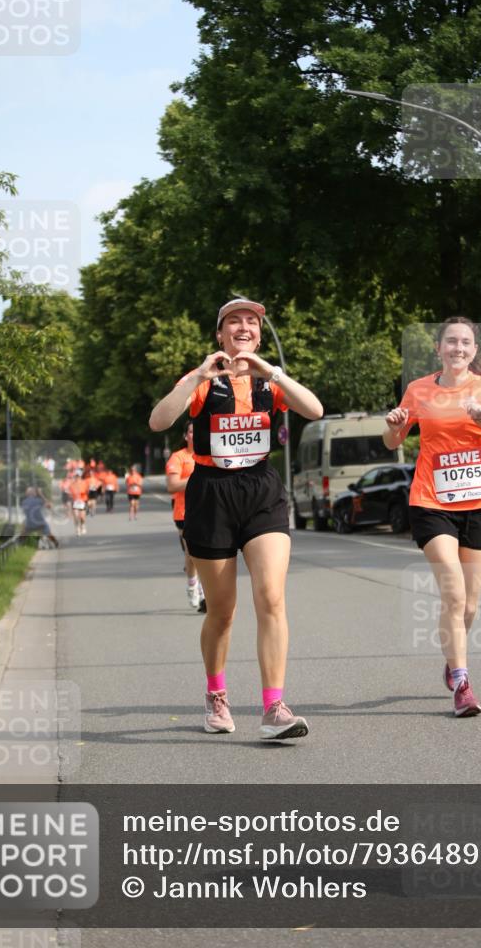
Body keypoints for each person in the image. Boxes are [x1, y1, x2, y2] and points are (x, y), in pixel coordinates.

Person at [149, 297, 323, 740]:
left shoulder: (270, 381)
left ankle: (274, 708)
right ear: (221, 334)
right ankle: (216, 694)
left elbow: (314, 410)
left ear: (259, 334)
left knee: (272, 597)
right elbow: (158, 420)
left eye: (251, 321)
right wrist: (196, 377)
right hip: (211, 493)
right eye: (233, 321)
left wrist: (274, 372)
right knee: (223, 613)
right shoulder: (204, 380)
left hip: (261, 490)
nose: (243, 327)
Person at [383, 316, 481, 717]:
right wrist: (393, 426)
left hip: (480, 503)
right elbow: (393, 438)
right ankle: (462, 683)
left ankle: (451, 656)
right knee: (454, 592)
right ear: (438, 349)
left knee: (471, 605)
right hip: (432, 502)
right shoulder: (419, 390)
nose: (458, 348)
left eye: (465, 343)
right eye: (451, 342)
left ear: (474, 351)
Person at [165, 421, 206, 613]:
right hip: (184, 512)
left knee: (206, 553)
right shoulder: (178, 458)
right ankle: (194, 587)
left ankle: (202, 589)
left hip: (209, 510)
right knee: (192, 553)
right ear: (186, 436)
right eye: (191, 431)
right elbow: (172, 486)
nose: (194, 434)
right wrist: (196, 478)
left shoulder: (209, 455)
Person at [68, 469, 89, 535]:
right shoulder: (72, 485)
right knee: (76, 516)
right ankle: (77, 529)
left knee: (82, 517)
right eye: (76, 476)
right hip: (75, 502)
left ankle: (83, 526)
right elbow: (70, 494)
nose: (77, 477)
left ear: (80, 476)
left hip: (82, 501)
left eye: (78, 476)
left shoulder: (84, 483)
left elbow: (87, 491)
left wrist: (85, 498)